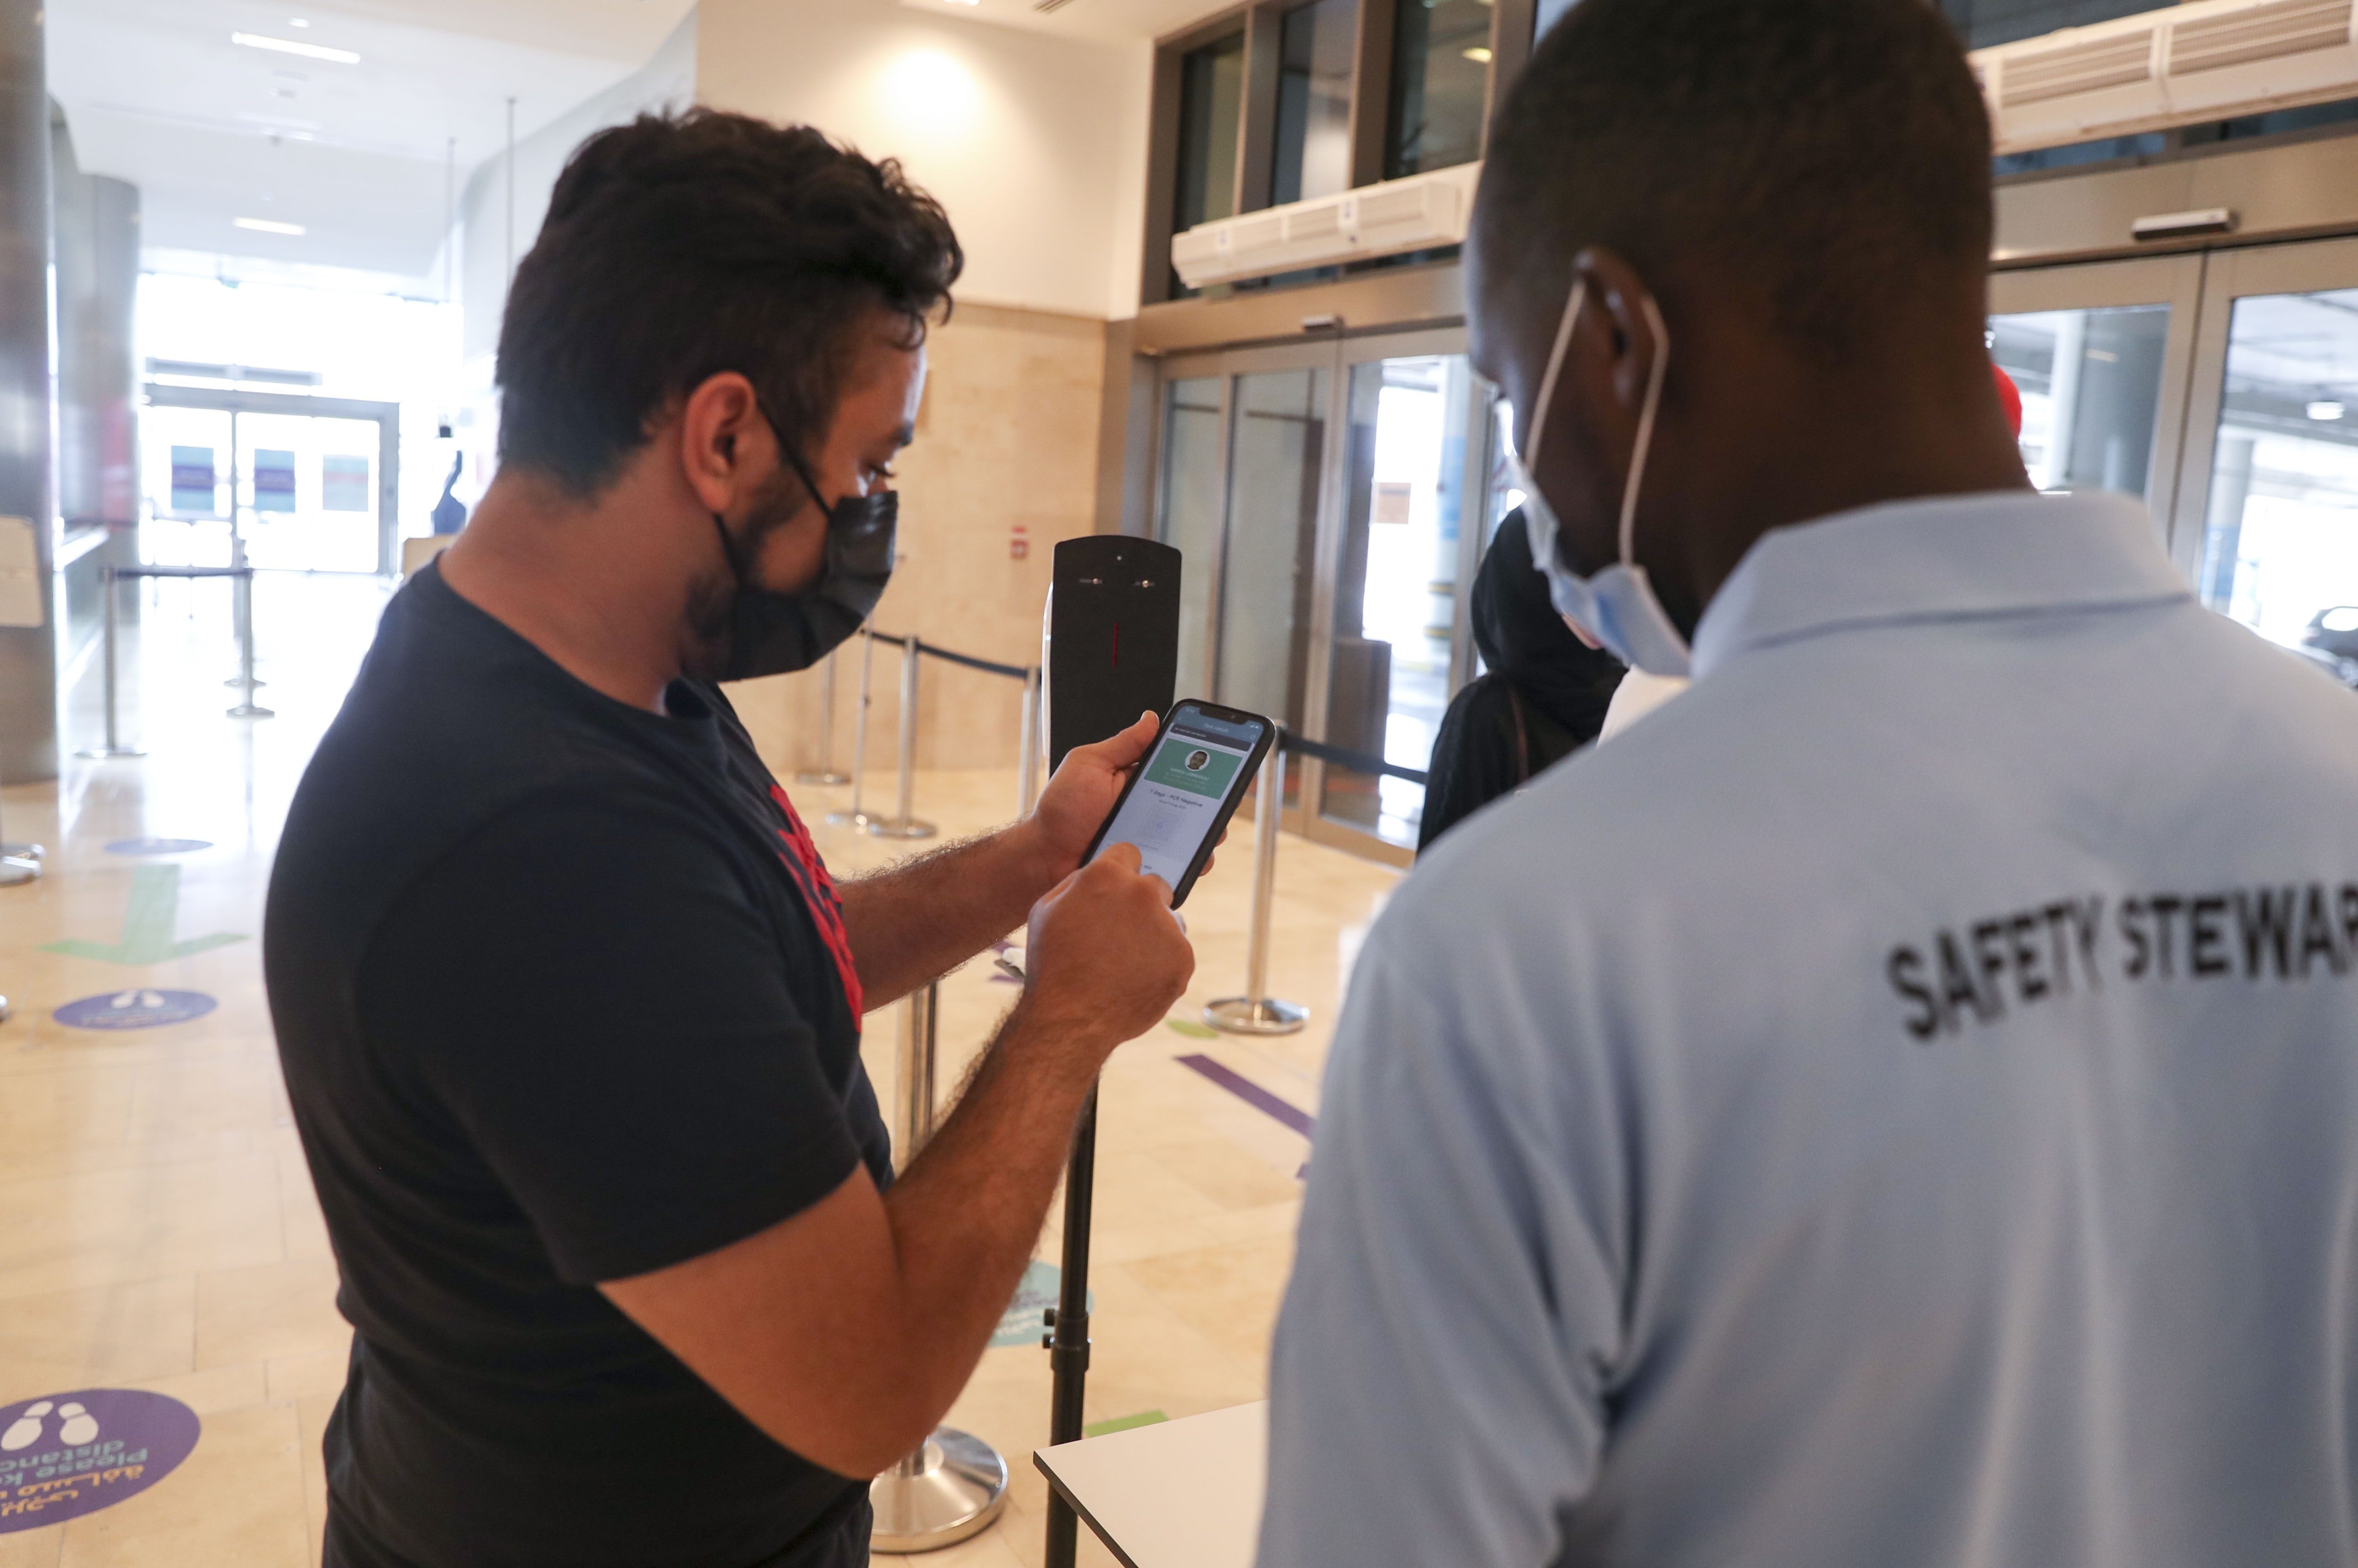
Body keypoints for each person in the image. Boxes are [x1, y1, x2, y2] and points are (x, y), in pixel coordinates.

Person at [1260, 1, 2358, 1564]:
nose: (1534, 485)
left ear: (1617, 342)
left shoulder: (1528, 946)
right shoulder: (2332, 774)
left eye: (1513, 396)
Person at [265, 111, 1194, 1568]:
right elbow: (868, 1380)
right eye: (873, 465)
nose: (874, 514)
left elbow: (758, 963)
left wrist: (1031, 859)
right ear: (723, 434)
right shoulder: (538, 843)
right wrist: (1066, 1018)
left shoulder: (605, 672)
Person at [1417, 511, 1623, 850]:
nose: (1584, 596)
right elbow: (1443, 872)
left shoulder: (1630, 687)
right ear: (1526, 586)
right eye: (1565, 579)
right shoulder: (1488, 713)